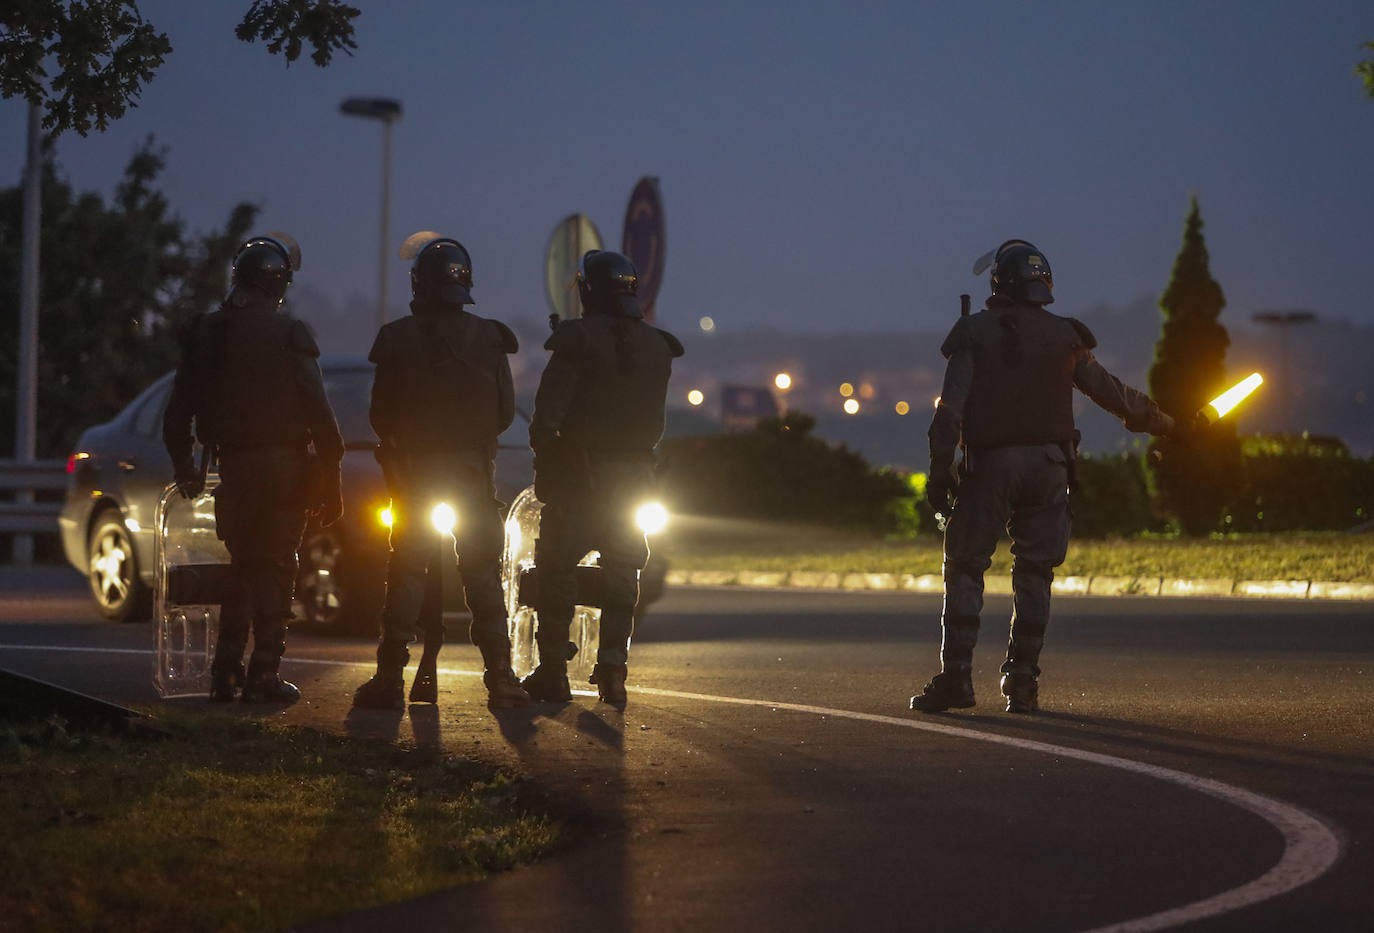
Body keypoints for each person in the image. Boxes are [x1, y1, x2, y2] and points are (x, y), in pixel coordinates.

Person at [912, 240, 1195, 715]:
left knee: (964, 566)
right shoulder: (1067, 338)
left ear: (999, 281)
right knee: (1035, 573)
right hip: (1050, 469)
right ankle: (1022, 684)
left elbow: (949, 416)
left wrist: (939, 474)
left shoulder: (974, 333)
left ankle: (957, 679)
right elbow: (1116, 396)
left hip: (991, 467)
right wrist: (1170, 426)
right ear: (1045, 284)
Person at [163, 232, 344, 705]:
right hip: (284, 469)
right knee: (278, 567)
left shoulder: (207, 332)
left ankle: (226, 673)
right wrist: (331, 480)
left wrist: (186, 467)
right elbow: (321, 416)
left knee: (242, 567)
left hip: (236, 469)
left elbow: (177, 413)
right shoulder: (290, 333)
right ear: (278, 282)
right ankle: (263, 673)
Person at [352, 233, 529, 710]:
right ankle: (502, 678)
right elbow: (504, 413)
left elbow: (380, 416)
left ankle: (389, 679)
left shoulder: (394, 339)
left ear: (419, 284)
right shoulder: (491, 337)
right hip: (472, 476)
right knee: (483, 579)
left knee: (406, 575)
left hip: (415, 477)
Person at [522, 250, 683, 708]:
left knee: (554, 572)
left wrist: (548, 473)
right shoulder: (658, 346)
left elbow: (545, 421)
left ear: (589, 290)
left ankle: (552, 669)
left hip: (579, 481)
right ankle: (613, 670)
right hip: (634, 481)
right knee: (622, 577)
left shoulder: (576, 339)